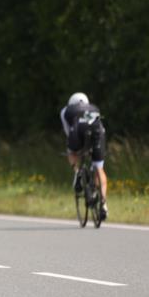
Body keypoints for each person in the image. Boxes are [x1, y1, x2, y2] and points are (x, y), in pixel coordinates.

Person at [61, 92, 108, 220]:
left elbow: (68, 131)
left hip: (77, 130)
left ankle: (77, 172)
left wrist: (77, 148)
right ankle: (103, 204)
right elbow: (99, 126)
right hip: (98, 132)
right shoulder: (94, 108)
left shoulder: (66, 110)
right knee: (99, 169)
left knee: (71, 151)